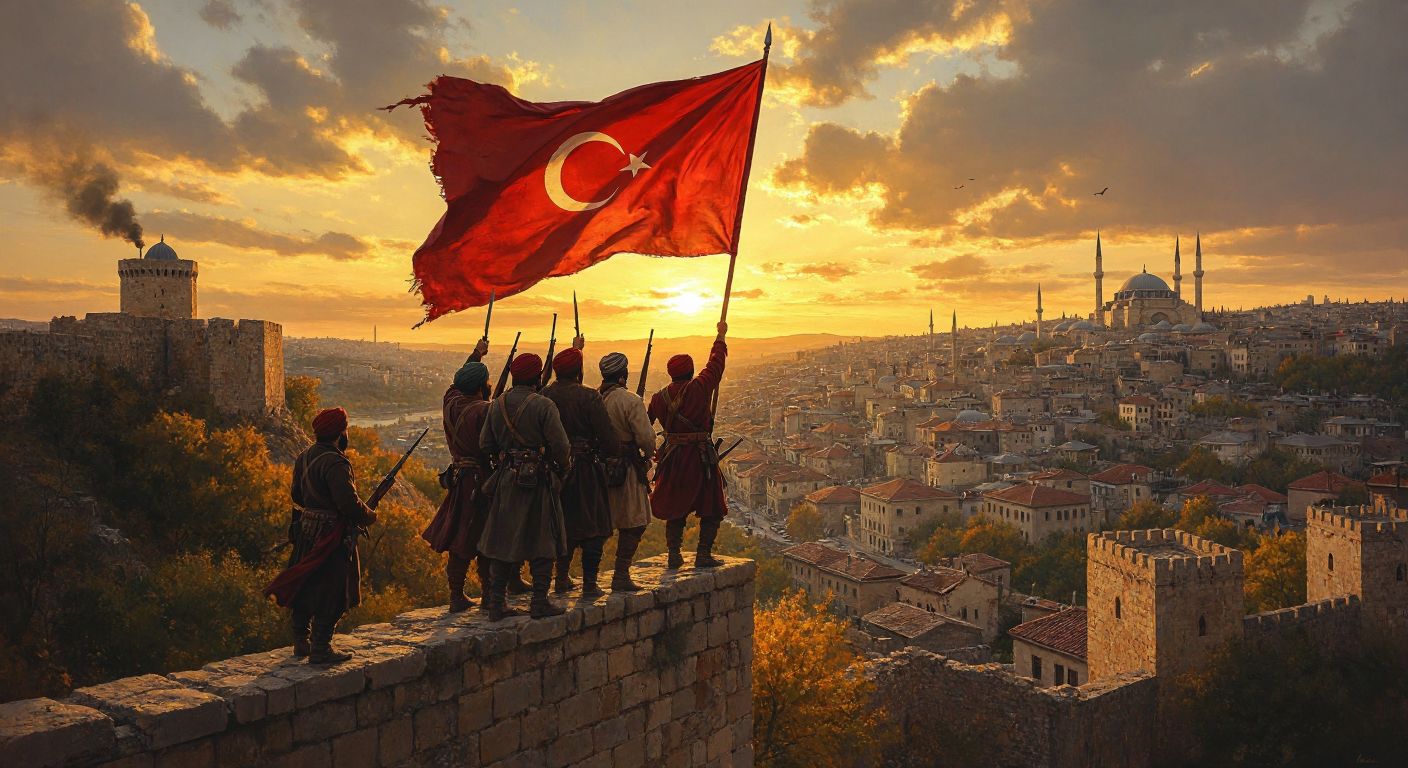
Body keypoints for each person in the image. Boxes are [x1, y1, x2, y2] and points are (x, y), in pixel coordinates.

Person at [264, 407, 377, 664]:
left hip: (307, 531)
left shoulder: (303, 457)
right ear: (340, 433)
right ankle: (321, 647)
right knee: (334, 591)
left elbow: (297, 496)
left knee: (305, 585)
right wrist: (370, 515)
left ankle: (301, 641)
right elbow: (348, 504)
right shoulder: (337, 462)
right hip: (331, 536)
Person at [478, 352, 572, 619]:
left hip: (506, 480)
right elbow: (561, 446)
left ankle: (497, 602)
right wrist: (562, 471)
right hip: (537, 480)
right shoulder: (544, 406)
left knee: (502, 539)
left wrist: (506, 457)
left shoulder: (497, 404)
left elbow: (485, 444)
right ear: (536, 376)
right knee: (544, 539)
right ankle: (539, 601)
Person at [648, 321, 728, 569]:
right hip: (700, 456)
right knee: (712, 505)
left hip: (672, 458)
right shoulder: (699, 387)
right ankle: (703, 554)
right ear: (690, 370)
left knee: (675, 506)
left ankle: (674, 553)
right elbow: (715, 365)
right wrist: (720, 337)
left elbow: (645, 423)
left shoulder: (658, 398)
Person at [541, 340, 618, 598]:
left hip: (552, 471)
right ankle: (589, 583)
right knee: (593, 526)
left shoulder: (545, 395)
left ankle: (561, 577)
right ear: (578, 370)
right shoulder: (589, 396)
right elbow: (608, 438)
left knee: (563, 525)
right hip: (585, 469)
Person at [420, 339, 492, 613]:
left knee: (461, 536)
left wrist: (477, 354)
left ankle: (456, 595)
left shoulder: (450, 401)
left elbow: (459, 380)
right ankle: (489, 593)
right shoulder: (483, 411)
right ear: (480, 386)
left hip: (460, 477)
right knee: (485, 536)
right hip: (481, 480)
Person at [598, 350, 655, 591]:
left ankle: (585, 579)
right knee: (634, 522)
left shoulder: (594, 399)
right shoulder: (630, 400)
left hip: (597, 468)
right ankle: (620, 574)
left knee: (599, 524)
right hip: (627, 468)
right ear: (622, 376)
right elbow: (646, 439)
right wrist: (648, 455)